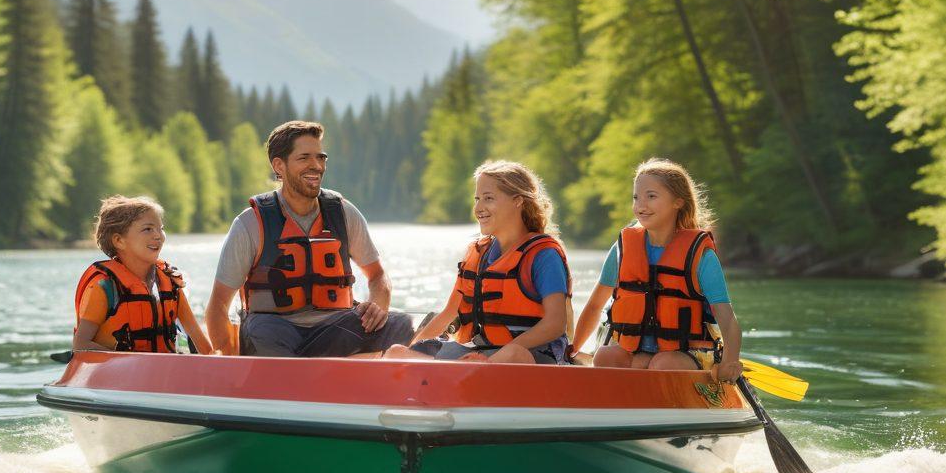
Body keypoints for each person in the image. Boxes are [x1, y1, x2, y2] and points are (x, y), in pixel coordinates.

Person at [204, 121, 414, 357]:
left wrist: (377, 306)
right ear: (279, 166)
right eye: (304, 158)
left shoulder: (344, 214)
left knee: (401, 324)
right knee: (261, 331)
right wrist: (228, 367)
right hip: (274, 330)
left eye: (321, 157)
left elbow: (377, 275)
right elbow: (219, 304)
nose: (316, 165)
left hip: (333, 328)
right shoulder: (249, 224)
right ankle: (296, 377)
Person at [572, 158, 742, 383]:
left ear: (678, 202)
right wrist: (572, 350)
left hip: (687, 353)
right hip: (638, 350)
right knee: (606, 356)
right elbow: (594, 306)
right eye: (636, 197)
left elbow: (727, 320)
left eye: (651, 196)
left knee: (663, 364)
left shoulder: (700, 256)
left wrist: (729, 363)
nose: (640, 206)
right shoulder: (623, 250)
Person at [385, 161, 571, 364]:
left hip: (531, 357)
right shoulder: (477, 253)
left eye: (488, 198)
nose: (479, 208)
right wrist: (411, 353)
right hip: (480, 353)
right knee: (397, 352)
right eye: (477, 199)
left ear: (518, 200)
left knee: (513, 355)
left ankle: (470, 375)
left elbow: (556, 323)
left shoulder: (544, 255)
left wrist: (491, 361)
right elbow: (449, 313)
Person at [73, 195, 213, 354]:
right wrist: (129, 360)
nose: (158, 235)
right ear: (119, 241)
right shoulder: (104, 287)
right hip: (116, 373)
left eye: (161, 228)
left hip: (163, 371)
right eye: (148, 229)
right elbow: (81, 345)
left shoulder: (170, 282)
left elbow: (199, 340)